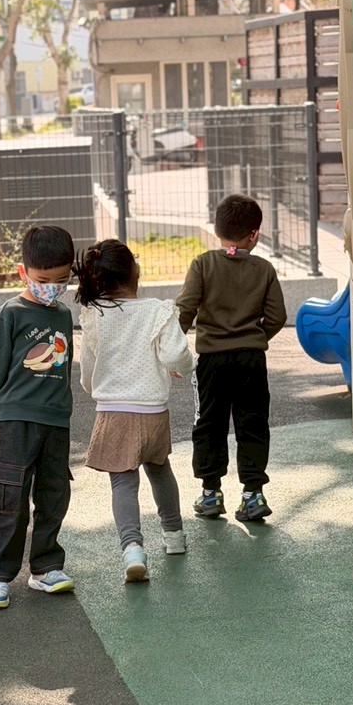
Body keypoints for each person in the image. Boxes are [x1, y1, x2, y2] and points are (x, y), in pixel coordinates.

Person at [76, 239, 194, 581]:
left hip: (113, 410)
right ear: (135, 271)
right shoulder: (157, 310)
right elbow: (176, 356)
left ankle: (132, 549)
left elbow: (88, 368)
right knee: (160, 469)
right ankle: (174, 535)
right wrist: (183, 368)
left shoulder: (95, 314)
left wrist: (94, 389)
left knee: (122, 483)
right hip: (153, 410)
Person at [0, 225, 77, 609]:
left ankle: (46, 567)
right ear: (24, 273)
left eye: (61, 280)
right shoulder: (12, 313)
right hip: (16, 419)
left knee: (54, 493)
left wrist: (64, 410)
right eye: (43, 280)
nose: (52, 288)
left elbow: (63, 366)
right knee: (11, 497)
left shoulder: (64, 315)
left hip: (55, 420)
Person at [175, 193, 286, 522]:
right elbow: (277, 316)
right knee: (253, 422)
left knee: (209, 423)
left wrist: (173, 351)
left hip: (212, 360)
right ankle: (253, 494)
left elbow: (185, 310)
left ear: (216, 229)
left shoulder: (202, 264)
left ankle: (211, 493)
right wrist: (255, 338)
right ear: (255, 234)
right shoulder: (264, 269)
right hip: (251, 360)